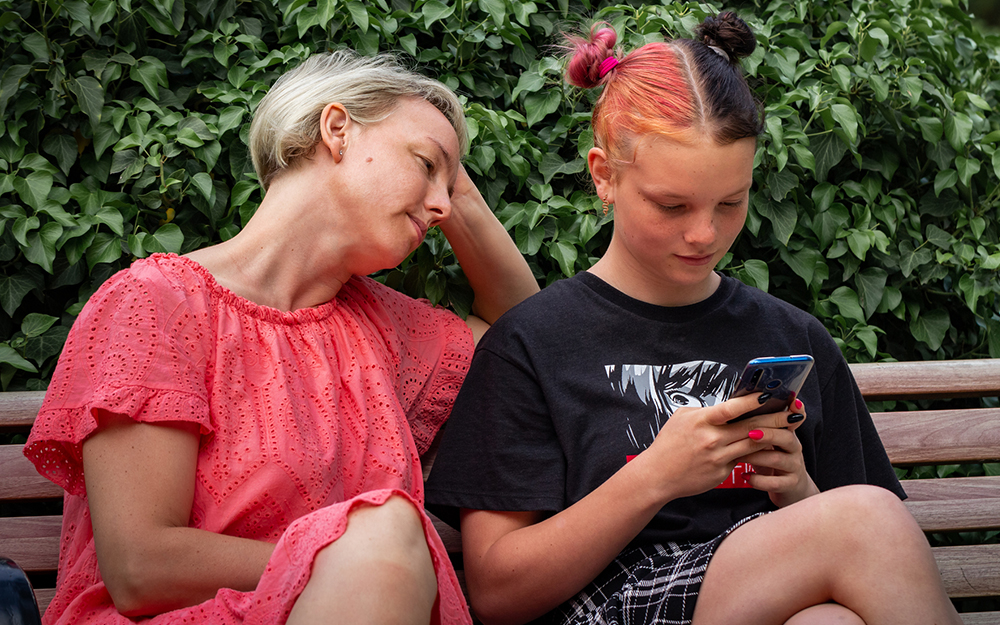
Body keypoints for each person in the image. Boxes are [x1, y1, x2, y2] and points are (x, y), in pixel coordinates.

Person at [424, 12, 963, 625]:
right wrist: (655, 475)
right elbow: (495, 595)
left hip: (751, 596)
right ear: (604, 175)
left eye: (731, 202)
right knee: (862, 520)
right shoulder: (531, 344)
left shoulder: (793, 336)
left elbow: (854, 542)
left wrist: (796, 491)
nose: (705, 233)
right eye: (671, 205)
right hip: (604, 603)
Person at [23, 49, 538, 625]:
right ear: (337, 130)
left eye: (453, 184)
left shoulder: (385, 330)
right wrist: (356, 563)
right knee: (385, 529)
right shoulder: (157, 304)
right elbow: (141, 568)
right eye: (424, 164)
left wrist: (451, 179)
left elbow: (524, 335)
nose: (442, 205)